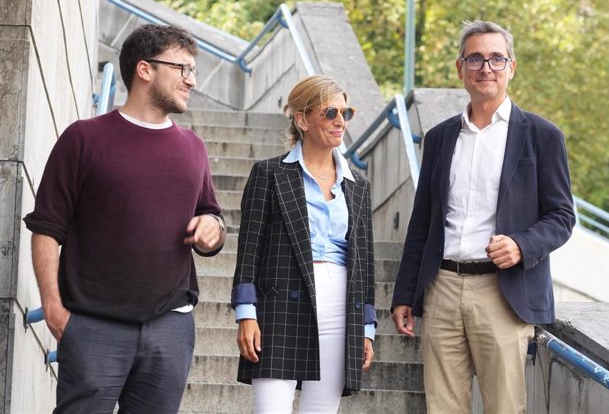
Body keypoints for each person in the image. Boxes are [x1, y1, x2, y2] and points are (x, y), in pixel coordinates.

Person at [24, 24, 226, 413]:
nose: (191, 81)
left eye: (193, 71)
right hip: (92, 324)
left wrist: (211, 231)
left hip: (171, 326)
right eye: (182, 69)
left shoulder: (193, 148)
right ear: (145, 69)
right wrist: (53, 308)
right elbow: (47, 228)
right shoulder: (83, 138)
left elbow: (211, 216)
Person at [391, 20, 575, 413]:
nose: (485, 68)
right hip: (440, 287)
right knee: (443, 408)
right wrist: (405, 292)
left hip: (503, 293)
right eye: (475, 58)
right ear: (460, 69)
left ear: (512, 67)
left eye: (496, 58)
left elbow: (561, 216)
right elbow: (422, 221)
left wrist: (522, 245)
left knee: (504, 408)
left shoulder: (541, 136)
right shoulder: (440, 137)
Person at [231, 75, 376, 413]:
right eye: (330, 112)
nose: (340, 121)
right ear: (301, 118)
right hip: (280, 306)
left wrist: (367, 327)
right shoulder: (269, 174)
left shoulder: (358, 185)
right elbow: (249, 251)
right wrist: (246, 314)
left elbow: (364, 262)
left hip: (342, 309)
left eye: (346, 112)